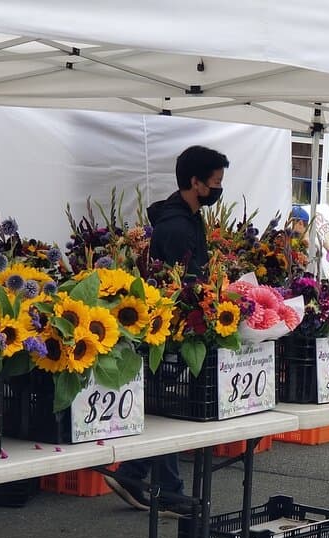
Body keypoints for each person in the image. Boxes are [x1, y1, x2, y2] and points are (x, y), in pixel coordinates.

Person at [106, 144, 230, 518]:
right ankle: (169, 492)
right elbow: (174, 286)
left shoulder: (190, 218)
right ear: (195, 182)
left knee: (168, 409)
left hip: (179, 326)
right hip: (171, 329)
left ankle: (132, 475)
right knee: (169, 411)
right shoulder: (177, 227)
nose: (218, 189)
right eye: (215, 183)